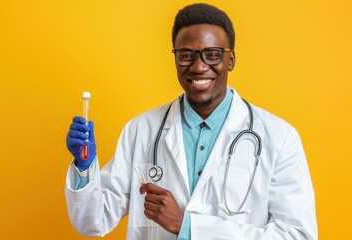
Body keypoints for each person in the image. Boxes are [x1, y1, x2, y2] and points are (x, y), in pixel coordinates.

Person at [65, 3, 317, 240]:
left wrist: (188, 226)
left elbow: (297, 234)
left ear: (231, 60)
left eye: (212, 55)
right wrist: (84, 167)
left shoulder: (279, 137)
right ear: (175, 59)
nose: (198, 67)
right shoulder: (140, 130)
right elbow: (92, 221)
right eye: (186, 55)